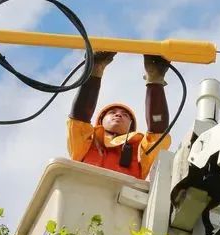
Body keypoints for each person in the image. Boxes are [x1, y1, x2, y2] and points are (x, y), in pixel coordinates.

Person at [67, 52, 172, 180]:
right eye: (112, 112)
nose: (118, 114)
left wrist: (155, 79)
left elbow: (157, 134)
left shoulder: (139, 151)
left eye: (125, 115)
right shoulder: (84, 145)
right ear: (100, 121)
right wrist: (95, 68)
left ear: (131, 127)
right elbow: (79, 119)